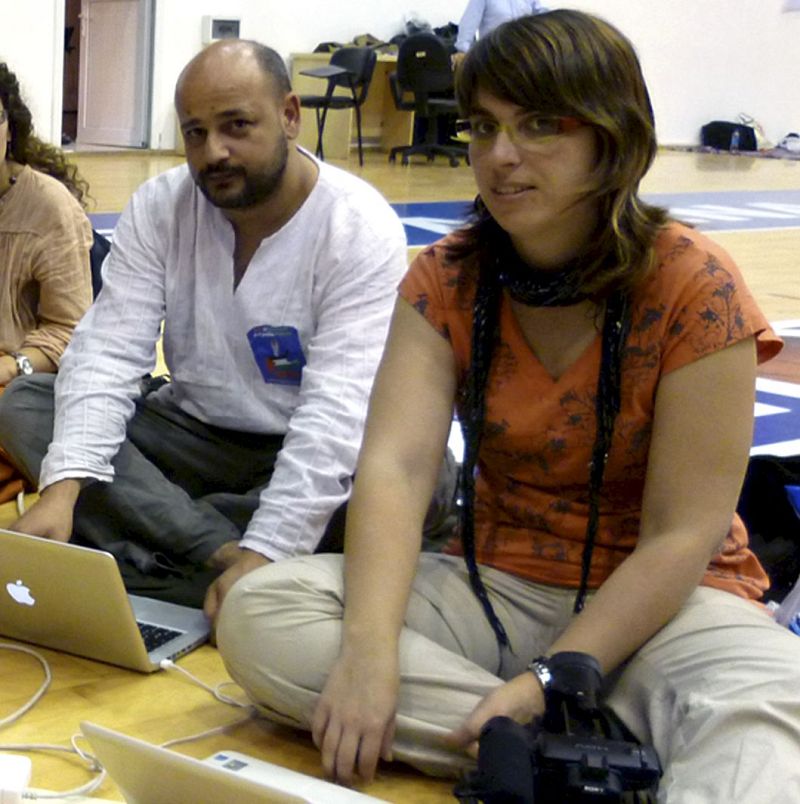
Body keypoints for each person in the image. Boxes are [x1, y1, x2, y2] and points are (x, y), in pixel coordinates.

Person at [215, 11, 800, 801]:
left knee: (775, 707)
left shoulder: (697, 285)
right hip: (494, 586)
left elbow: (682, 536)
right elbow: (396, 470)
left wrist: (546, 681)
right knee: (262, 613)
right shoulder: (446, 277)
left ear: (612, 136)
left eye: (539, 126)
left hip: (668, 606)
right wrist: (369, 652)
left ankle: (538, 751)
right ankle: (594, 760)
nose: (500, 155)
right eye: (483, 127)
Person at [0, 39, 408, 613]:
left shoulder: (358, 227)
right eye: (195, 133)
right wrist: (63, 487)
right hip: (190, 434)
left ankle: (168, 549)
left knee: (415, 481)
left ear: (290, 116)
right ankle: (221, 554)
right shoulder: (161, 205)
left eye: (236, 125)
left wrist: (269, 546)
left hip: (298, 442)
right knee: (27, 404)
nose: (214, 151)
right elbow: (109, 353)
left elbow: (336, 416)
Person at [0, 62, 93, 504]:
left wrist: (11, 366)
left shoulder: (49, 209)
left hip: (19, 382)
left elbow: (71, 330)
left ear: (10, 128)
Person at [453, 0, 546, 66]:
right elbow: (469, 22)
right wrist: (462, 50)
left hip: (522, 52)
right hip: (494, 54)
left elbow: (539, 13)